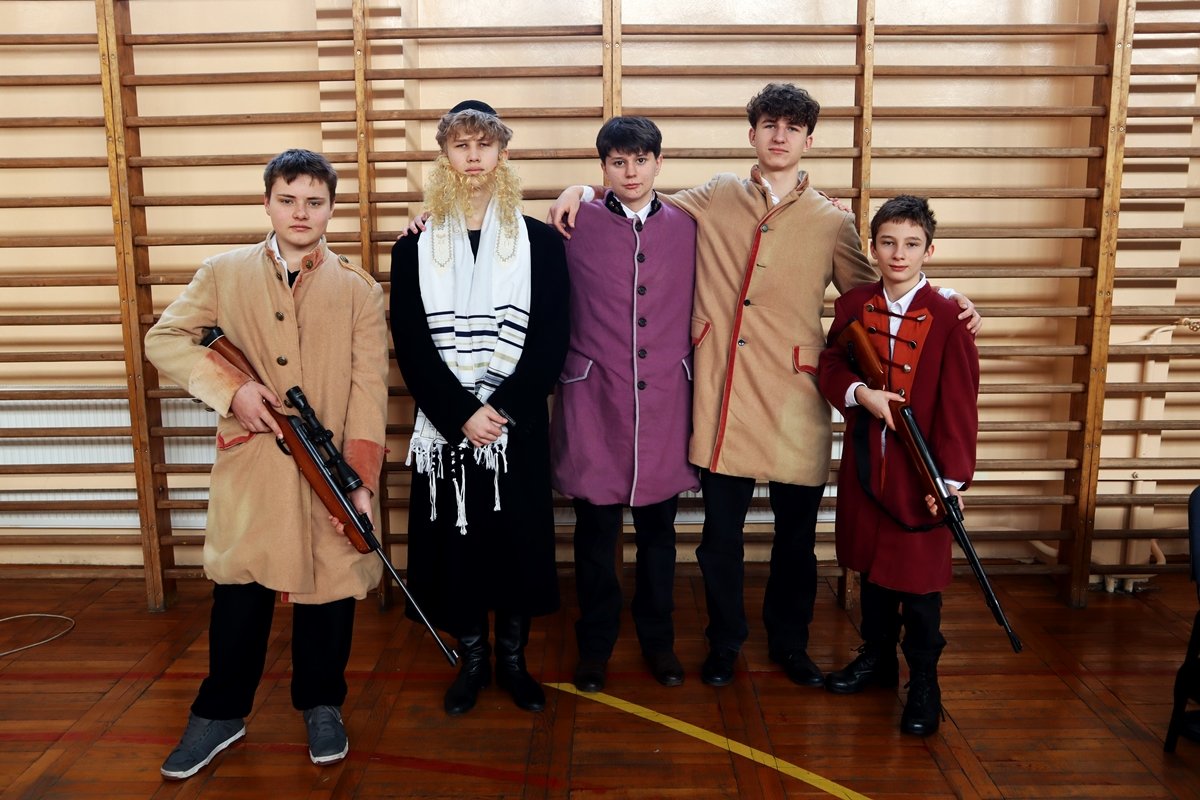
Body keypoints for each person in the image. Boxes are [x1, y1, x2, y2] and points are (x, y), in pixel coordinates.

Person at [548, 83, 981, 689]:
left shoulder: (833, 220)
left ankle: (789, 644)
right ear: (751, 134)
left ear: (809, 140)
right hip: (722, 390)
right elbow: (640, 199)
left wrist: (945, 296)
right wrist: (581, 190)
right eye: (769, 125)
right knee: (718, 540)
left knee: (795, 540)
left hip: (796, 398)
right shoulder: (715, 194)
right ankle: (724, 644)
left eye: (792, 128)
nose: (780, 137)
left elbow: (877, 291)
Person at [145, 148, 390, 778]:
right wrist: (233, 391)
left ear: (331, 209)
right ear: (267, 203)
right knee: (240, 594)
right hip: (252, 465)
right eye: (288, 200)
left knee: (330, 592)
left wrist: (359, 482)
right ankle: (220, 713)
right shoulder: (223, 273)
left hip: (329, 467)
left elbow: (369, 391)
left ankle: (322, 704)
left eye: (314, 202)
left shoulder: (359, 289)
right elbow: (164, 339)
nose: (300, 213)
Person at [390, 100, 569, 717]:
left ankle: (514, 661)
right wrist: (460, 413)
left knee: (516, 543)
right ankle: (472, 660)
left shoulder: (540, 243)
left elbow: (551, 339)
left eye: (483, 145)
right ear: (444, 155)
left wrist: (501, 408)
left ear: (502, 154)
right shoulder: (414, 247)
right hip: (447, 427)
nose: (473, 157)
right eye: (460, 145)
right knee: (457, 546)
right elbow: (411, 344)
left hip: (514, 423)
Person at [817, 195, 979, 736]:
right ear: (872, 247)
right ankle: (879, 659)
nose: (898, 253)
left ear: (929, 250)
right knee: (873, 569)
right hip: (869, 467)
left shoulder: (950, 316)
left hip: (922, 473)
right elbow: (831, 365)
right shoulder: (853, 305)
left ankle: (925, 681)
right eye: (888, 242)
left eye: (911, 244)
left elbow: (960, 406)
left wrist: (949, 480)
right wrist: (860, 393)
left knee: (920, 584)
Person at [550, 116, 698, 693]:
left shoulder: (689, 223)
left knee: (660, 537)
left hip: (664, 403)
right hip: (595, 398)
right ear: (603, 167)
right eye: (618, 162)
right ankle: (595, 646)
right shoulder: (573, 221)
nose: (630, 172)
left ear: (660, 162)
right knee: (594, 536)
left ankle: (659, 643)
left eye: (641, 160)